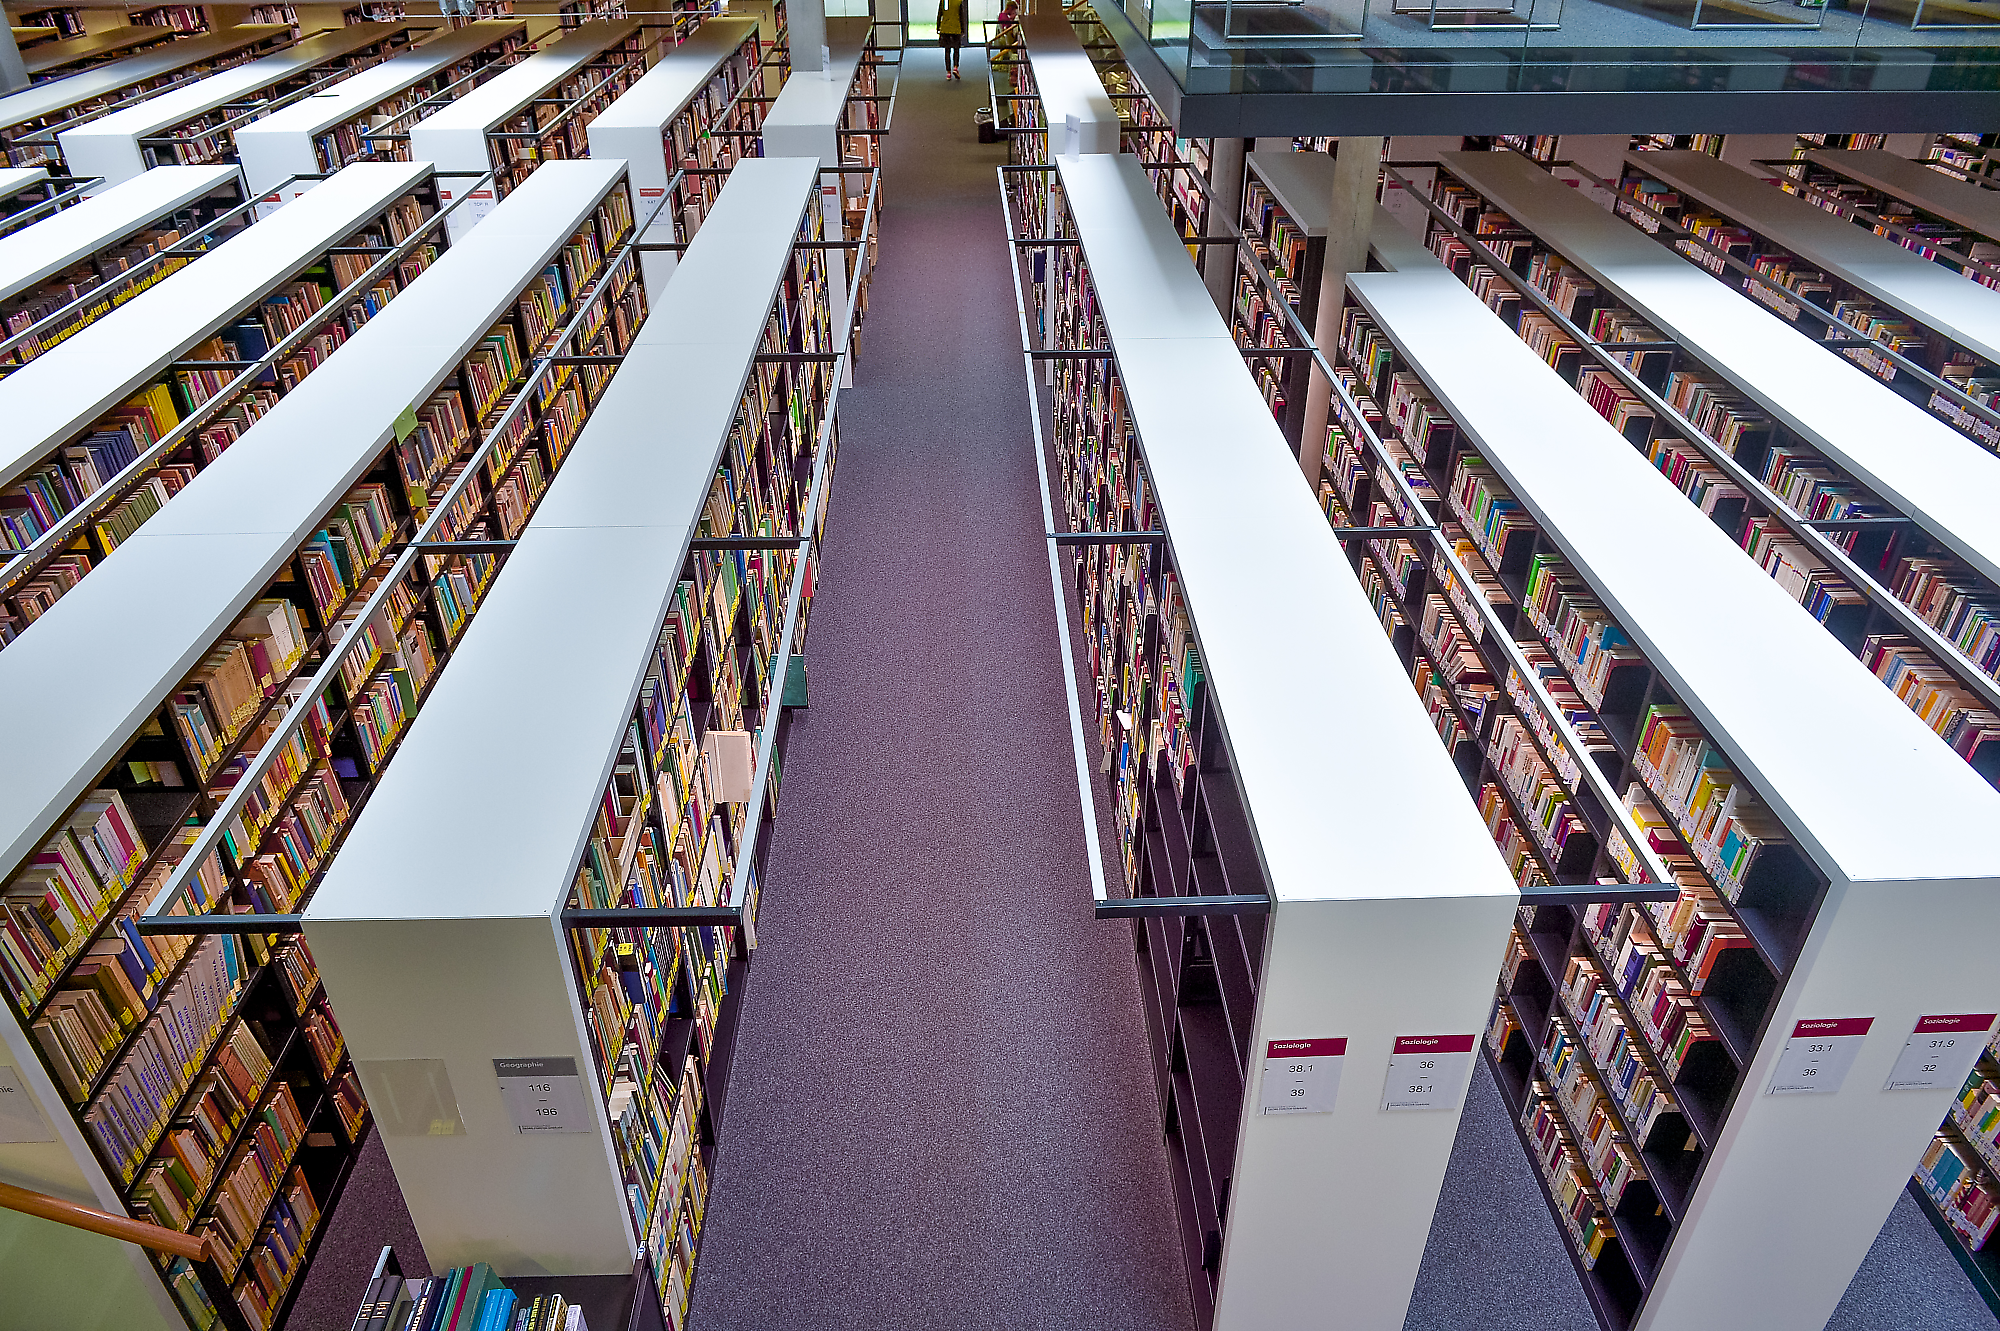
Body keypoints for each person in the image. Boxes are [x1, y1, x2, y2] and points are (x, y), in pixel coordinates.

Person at [937, 0, 967, 79]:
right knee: (956, 49)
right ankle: (955, 67)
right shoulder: (959, 1)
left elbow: (940, 14)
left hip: (945, 28)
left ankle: (948, 72)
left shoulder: (944, 1)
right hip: (956, 28)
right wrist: (963, 29)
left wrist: (938, 27)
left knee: (947, 50)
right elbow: (961, 16)